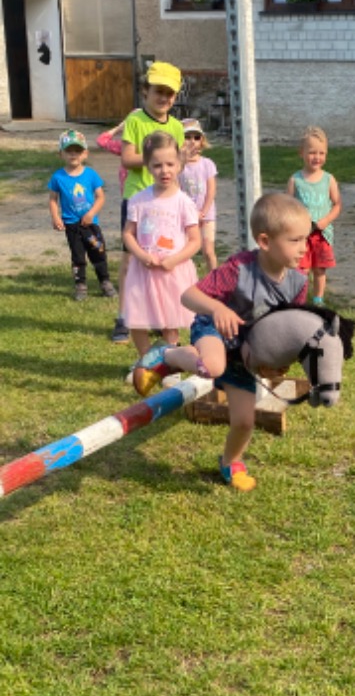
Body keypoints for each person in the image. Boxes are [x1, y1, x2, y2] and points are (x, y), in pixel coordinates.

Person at [131, 192, 310, 492]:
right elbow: (189, 296)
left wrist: (276, 364)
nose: (304, 248)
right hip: (213, 329)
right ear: (265, 241)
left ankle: (230, 462)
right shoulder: (239, 268)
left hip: (243, 354)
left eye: (306, 238)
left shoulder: (298, 284)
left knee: (244, 421)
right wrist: (218, 308)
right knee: (213, 366)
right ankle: (169, 355)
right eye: (295, 240)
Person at [111, 60, 185, 344]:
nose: (164, 97)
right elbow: (127, 158)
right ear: (145, 91)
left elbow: (178, 165)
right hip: (138, 201)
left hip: (166, 204)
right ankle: (124, 316)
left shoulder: (176, 127)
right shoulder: (136, 121)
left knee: (163, 258)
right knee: (132, 259)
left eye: (169, 93)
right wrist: (156, 159)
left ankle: (158, 316)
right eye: (158, 91)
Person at [121, 132, 201, 359]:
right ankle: (146, 362)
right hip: (143, 271)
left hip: (172, 273)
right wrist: (141, 255)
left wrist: (174, 260)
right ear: (147, 166)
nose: (164, 170)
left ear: (179, 165)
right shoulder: (138, 200)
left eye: (170, 164)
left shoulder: (184, 202)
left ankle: (169, 362)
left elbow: (195, 240)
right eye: (157, 165)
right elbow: (128, 234)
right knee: (137, 318)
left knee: (170, 321)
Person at [48, 129, 116, 301]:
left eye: (77, 151)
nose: (73, 154)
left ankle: (105, 281)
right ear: (61, 154)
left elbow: (100, 197)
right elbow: (53, 199)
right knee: (78, 256)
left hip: (90, 224)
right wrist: (55, 217)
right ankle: (80, 284)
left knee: (98, 252)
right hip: (72, 225)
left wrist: (91, 213)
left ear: (85, 153)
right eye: (69, 151)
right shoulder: (58, 177)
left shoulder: (91, 174)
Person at [287, 125, 341, 305]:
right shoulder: (296, 180)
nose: (317, 157)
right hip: (302, 234)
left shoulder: (328, 179)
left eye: (321, 153)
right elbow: (288, 207)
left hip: (322, 234)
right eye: (312, 153)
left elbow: (337, 205)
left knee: (320, 268)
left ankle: (318, 299)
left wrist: (326, 220)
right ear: (301, 153)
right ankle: (299, 299)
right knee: (301, 269)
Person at [178, 118, 218, 271]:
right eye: (187, 137)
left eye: (196, 137)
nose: (192, 141)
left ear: (202, 141)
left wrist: (203, 212)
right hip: (187, 214)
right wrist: (191, 212)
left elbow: (211, 190)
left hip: (206, 215)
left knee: (208, 251)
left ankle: (214, 279)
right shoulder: (179, 166)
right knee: (185, 251)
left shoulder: (207, 164)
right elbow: (177, 190)